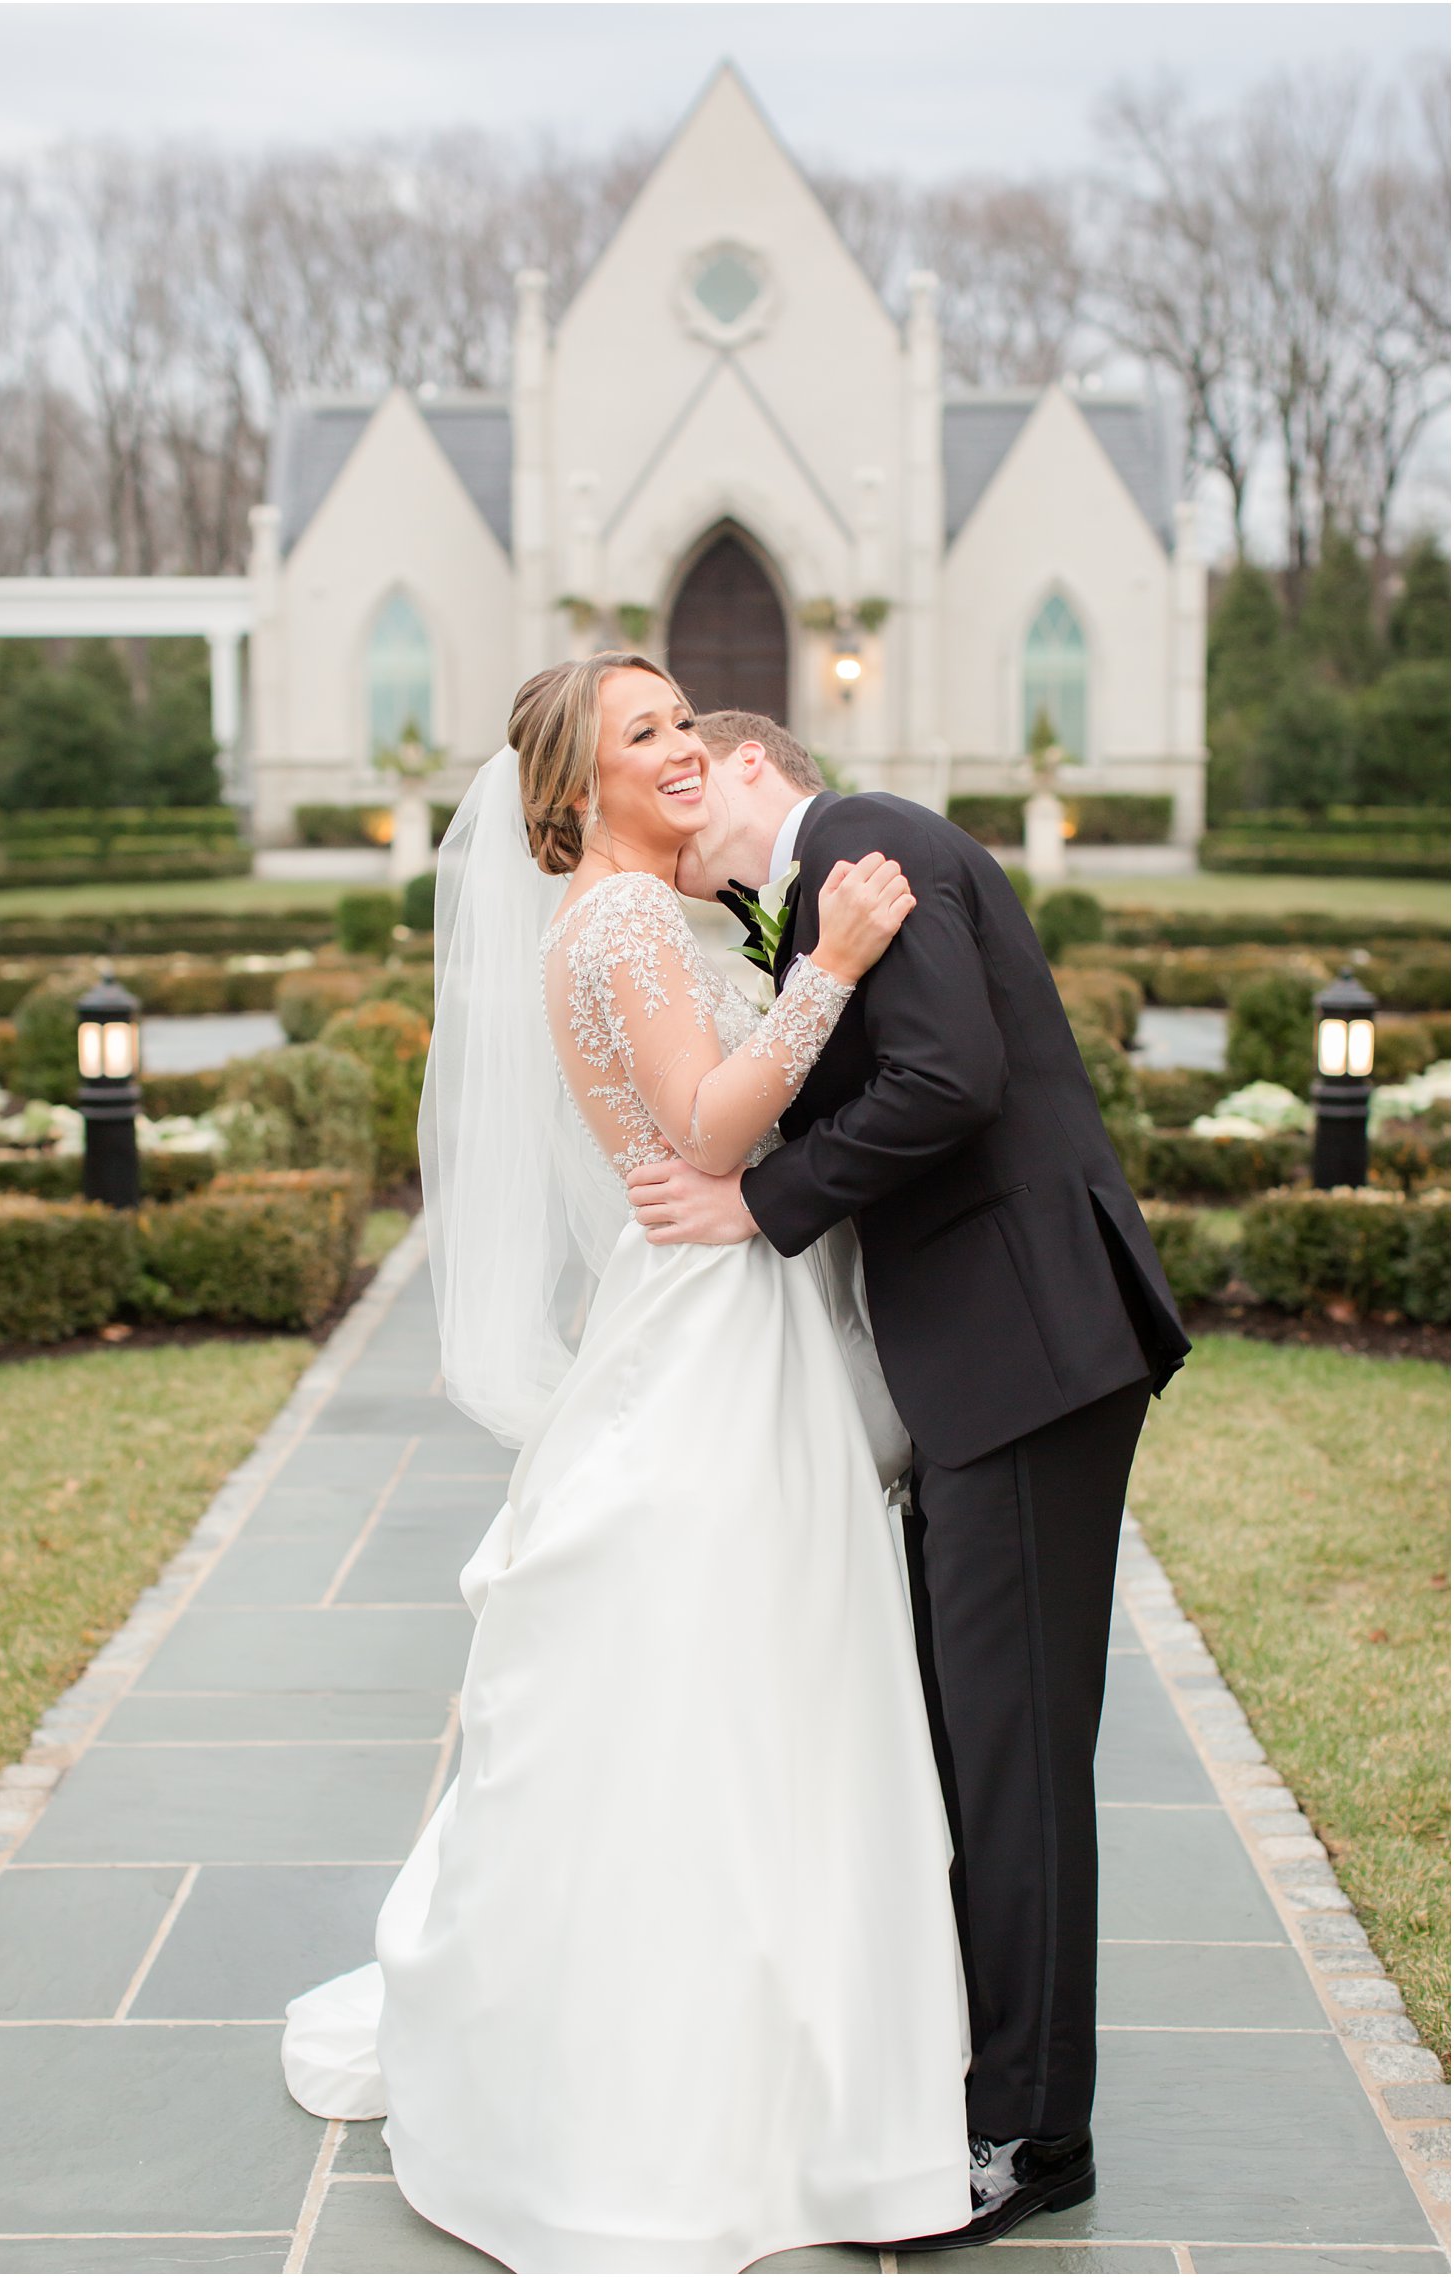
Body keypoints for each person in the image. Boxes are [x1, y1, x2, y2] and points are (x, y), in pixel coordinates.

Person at [281, 655, 976, 2273]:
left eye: (680, 722)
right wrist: (842, 960)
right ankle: (690, 2105)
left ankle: (791, 2073)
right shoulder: (613, 920)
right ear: (576, 789)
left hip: (736, 1311)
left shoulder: (647, 916)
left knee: (763, 1682)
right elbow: (713, 1127)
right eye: (644, 735)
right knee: (726, 1685)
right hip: (715, 1328)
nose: (682, 747)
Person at [629, 709, 1192, 2251]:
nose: (676, 819)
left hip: (1026, 1350)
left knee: (1012, 1755)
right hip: (990, 1364)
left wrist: (764, 1201)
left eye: (694, 779)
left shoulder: (861, 838)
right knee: (975, 1738)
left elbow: (947, 1076)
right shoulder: (817, 897)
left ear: (757, 762)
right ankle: (983, 2070)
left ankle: (1033, 2129)